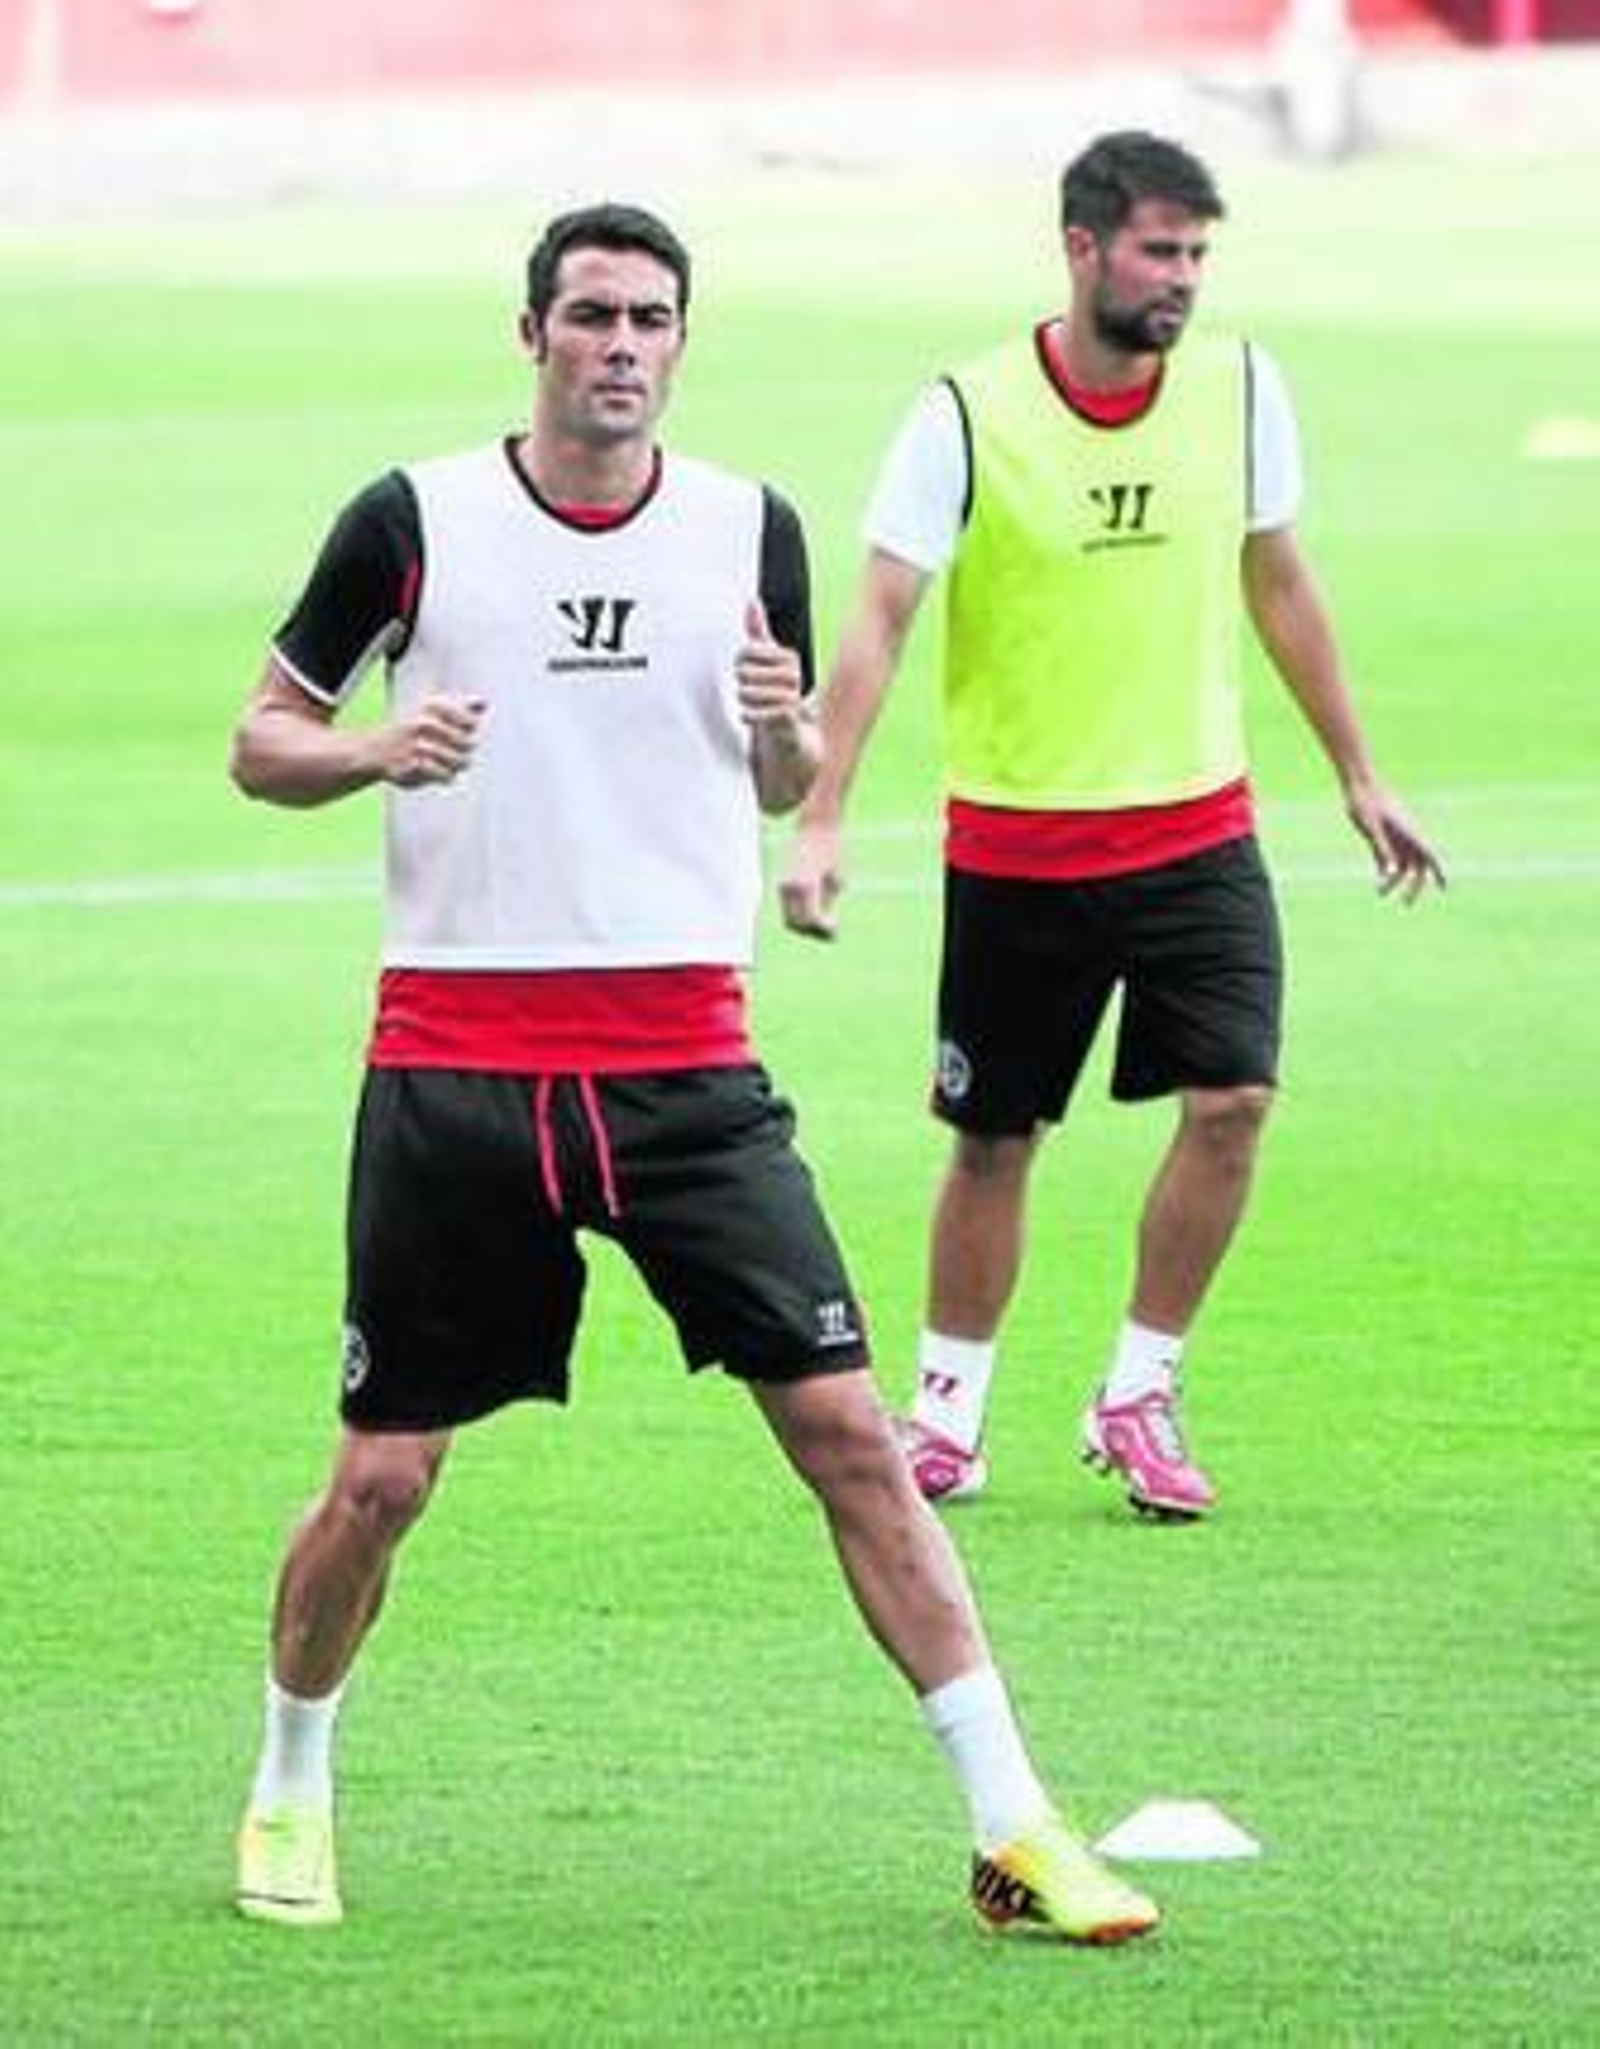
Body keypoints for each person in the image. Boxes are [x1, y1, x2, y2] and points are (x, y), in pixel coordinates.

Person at [228, 203, 1157, 1944]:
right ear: (533, 334)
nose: (623, 346)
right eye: (591, 317)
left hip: (684, 1067)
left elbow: (776, 765)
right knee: (383, 1480)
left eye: (653, 318)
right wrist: (371, 749)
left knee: (853, 1439)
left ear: (681, 339)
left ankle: (1015, 1823)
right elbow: (257, 740)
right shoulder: (413, 522)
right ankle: (289, 1780)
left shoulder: (748, 528)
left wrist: (788, 726)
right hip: (461, 1061)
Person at [781, 133, 1444, 1520]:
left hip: (1197, 831)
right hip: (1020, 846)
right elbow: (883, 615)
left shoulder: (1242, 389)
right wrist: (823, 813)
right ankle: (948, 1413)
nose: (1182, 280)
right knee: (995, 1139)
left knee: (1237, 1099)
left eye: (1198, 254)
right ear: (1081, 249)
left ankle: (1139, 1389)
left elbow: (1281, 583)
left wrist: (1358, 773)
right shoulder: (963, 411)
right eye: (1158, 251)